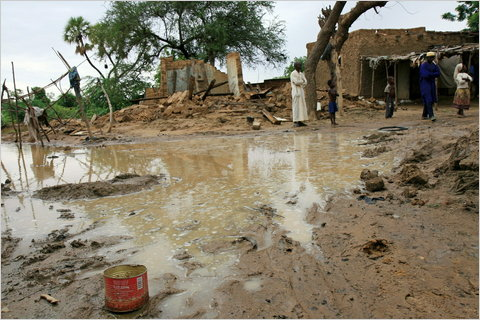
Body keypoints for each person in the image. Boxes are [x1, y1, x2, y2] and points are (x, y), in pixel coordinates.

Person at [419, 51, 440, 121]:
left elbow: (438, 73)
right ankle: (431, 115)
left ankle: (424, 115)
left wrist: (430, 74)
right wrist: (432, 74)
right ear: (427, 58)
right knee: (428, 98)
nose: (432, 59)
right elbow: (424, 75)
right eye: (430, 57)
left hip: (431, 83)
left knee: (430, 99)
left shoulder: (434, 65)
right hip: (425, 84)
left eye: (433, 57)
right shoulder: (423, 65)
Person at [290, 62, 308, 127]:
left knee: (301, 106)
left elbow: (305, 82)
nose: (300, 66)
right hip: (296, 91)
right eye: (298, 65)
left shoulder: (301, 73)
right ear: (295, 66)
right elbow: (296, 82)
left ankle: (300, 120)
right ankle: (295, 121)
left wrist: (301, 82)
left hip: (301, 91)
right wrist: (301, 82)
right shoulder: (293, 73)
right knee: (296, 106)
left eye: (300, 65)